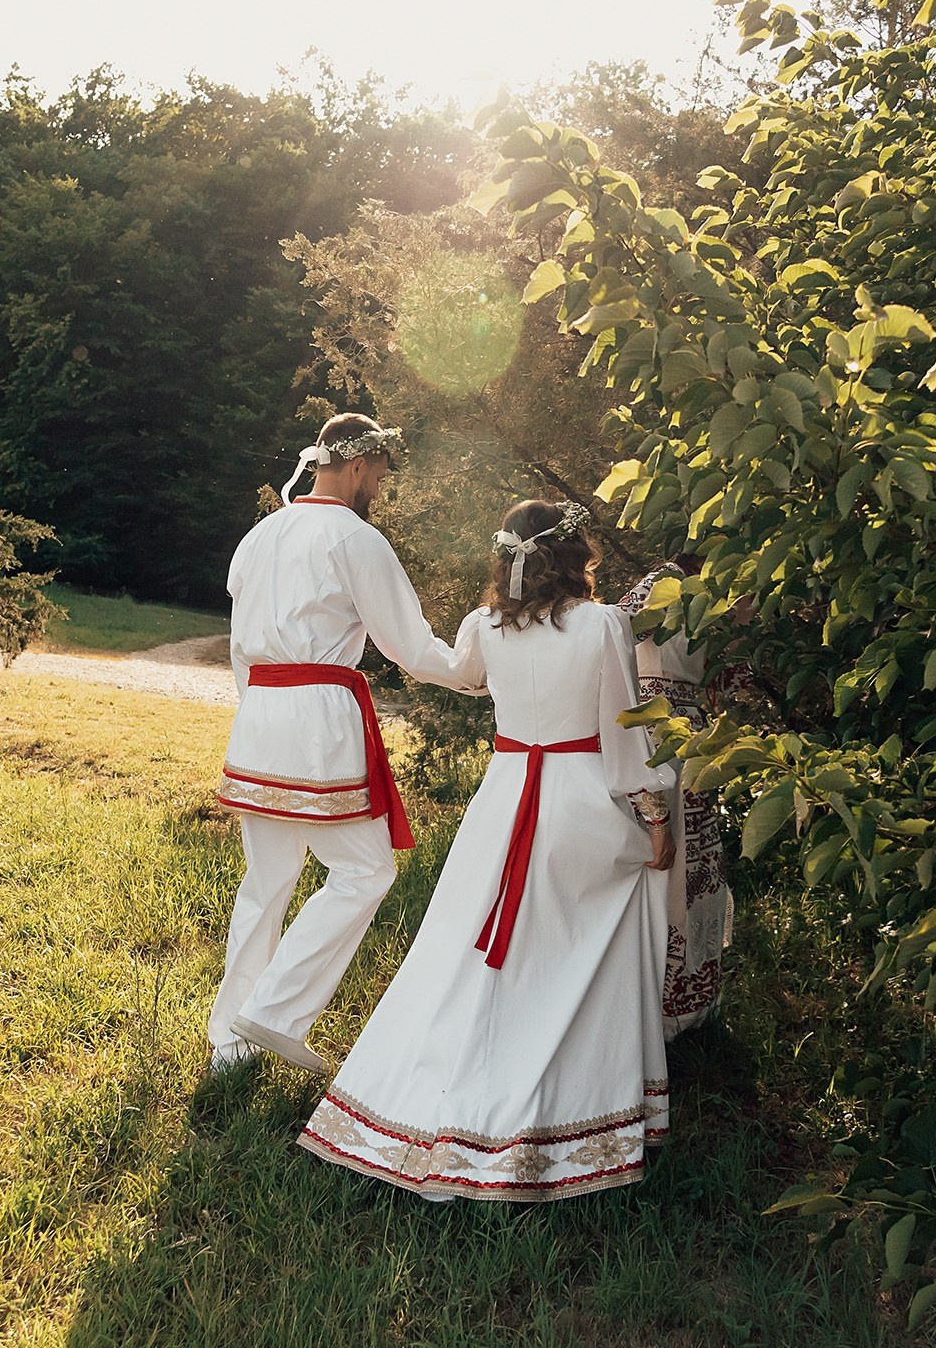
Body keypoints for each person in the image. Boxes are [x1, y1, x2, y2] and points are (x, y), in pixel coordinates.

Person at [297, 499, 677, 1202]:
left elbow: (456, 671)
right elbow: (625, 735)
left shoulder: (486, 626)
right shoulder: (600, 624)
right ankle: (585, 1105)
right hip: (578, 798)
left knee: (468, 948)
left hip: (504, 801)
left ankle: (443, 1090)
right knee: (615, 907)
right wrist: (654, 812)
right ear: (574, 556)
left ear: (509, 558)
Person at [207, 413, 483, 1075]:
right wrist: (484, 672)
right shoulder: (356, 540)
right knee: (365, 872)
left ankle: (230, 1043)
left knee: (266, 879)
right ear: (358, 467)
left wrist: (261, 716)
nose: (379, 491)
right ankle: (269, 1013)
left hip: (260, 713)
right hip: (316, 718)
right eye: (380, 478)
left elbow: (243, 645)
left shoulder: (260, 536)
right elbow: (412, 648)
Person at [618, 554, 740, 1040]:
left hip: (688, 739)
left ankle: (683, 1006)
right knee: (667, 862)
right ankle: (656, 1007)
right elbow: (617, 632)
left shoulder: (723, 599)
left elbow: (731, 681)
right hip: (656, 730)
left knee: (693, 866)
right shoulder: (666, 581)